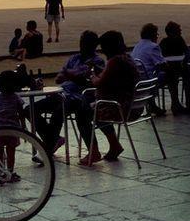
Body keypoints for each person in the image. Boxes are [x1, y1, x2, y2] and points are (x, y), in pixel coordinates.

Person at [31, 30, 103, 157]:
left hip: (79, 97)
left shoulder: (97, 61)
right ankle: (53, 139)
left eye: (85, 43)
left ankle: (48, 146)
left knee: (59, 112)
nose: (82, 45)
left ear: (93, 45)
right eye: (81, 42)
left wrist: (70, 74)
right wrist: (73, 74)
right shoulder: (74, 58)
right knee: (30, 109)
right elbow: (59, 78)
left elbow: (88, 81)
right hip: (61, 93)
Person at [84, 30, 138, 164]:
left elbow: (99, 83)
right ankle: (113, 145)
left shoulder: (115, 62)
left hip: (119, 108)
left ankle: (96, 150)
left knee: (83, 113)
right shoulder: (127, 59)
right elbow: (108, 78)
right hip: (131, 105)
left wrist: (91, 74)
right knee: (89, 106)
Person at [159, 21, 190, 116]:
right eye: (178, 30)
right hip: (172, 69)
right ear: (173, 32)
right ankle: (180, 103)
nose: (180, 32)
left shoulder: (177, 40)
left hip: (175, 68)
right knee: (177, 77)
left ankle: (179, 102)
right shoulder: (169, 42)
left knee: (184, 76)